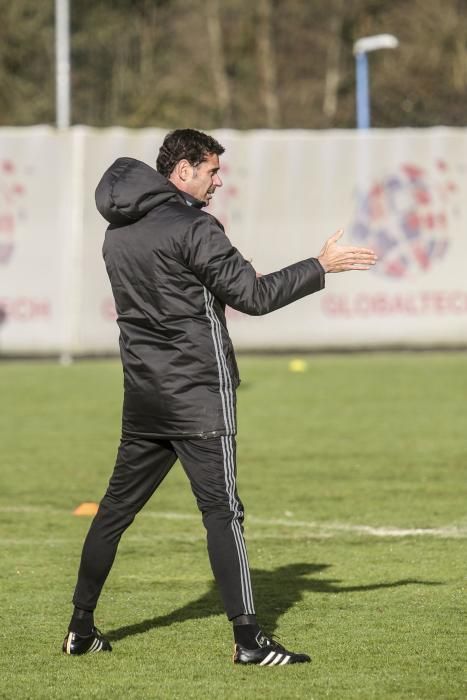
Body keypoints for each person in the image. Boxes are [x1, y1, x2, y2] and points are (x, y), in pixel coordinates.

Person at [62, 129, 377, 665]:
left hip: (144, 397)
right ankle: (250, 641)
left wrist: (219, 270)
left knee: (113, 512)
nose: (217, 180)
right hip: (198, 395)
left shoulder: (117, 233)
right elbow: (252, 297)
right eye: (210, 170)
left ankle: (80, 628)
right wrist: (321, 264)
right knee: (223, 514)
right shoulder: (195, 226)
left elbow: (179, 290)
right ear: (181, 171)